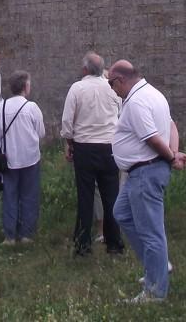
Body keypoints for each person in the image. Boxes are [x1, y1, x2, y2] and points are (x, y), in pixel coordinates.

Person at [108, 60, 186, 304]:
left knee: (151, 232)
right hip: (141, 171)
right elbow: (172, 126)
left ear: (121, 80)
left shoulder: (136, 101)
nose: (112, 89)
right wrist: (173, 152)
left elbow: (153, 138)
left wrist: (171, 155)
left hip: (146, 171)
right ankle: (158, 266)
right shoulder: (154, 94)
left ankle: (155, 292)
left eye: (112, 84)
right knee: (121, 213)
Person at [61, 52, 125, 256]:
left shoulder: (77, 88)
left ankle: (83, 244)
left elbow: (67, 122)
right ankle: (114, 243)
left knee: (86, 196)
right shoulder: (112, 89)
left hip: (85, 147)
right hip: (109, 147)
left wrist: (69, 142)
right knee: (111, 196)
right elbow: (120, 115)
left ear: (85, 69)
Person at [0, 71, 45, 246]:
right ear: (25, 87)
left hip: (8, 160)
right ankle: (26, 234)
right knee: (29, 196)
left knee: (9, 196)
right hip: (30, 158)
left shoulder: (2, 107)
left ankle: (10, 236)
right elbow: (41, 132)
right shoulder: (32, 107)